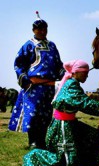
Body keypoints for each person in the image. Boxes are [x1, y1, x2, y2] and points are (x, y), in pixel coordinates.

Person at [22, 60, 99, 166]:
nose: (87, 75)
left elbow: (85, 102)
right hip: (63, 125)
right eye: (85, 72)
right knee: (62, 160)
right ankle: (33, 158)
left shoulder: (73, 84)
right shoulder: (71, 85)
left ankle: (85, 163)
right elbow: (85, 104)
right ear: (76, 72)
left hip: (69, 122)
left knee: (92, 134)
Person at [8, 11, 65, 149]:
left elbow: (58, 64)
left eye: (45, 28)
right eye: (39, 28)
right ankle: (33, 141)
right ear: (34, 30)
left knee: (46, 115)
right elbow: (19, 64)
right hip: (33, 87)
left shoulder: (52, 46)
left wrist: (63, 73)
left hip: (50, 86)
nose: (43, 31)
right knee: (33, 114)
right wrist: (24, 78)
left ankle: (42, 141)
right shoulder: (28, 45)